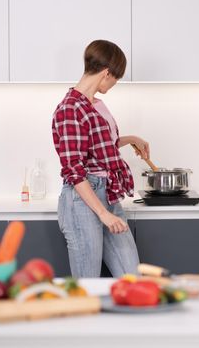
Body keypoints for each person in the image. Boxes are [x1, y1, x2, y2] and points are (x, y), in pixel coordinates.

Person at [52, 40, 149, 278]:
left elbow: (99, 147)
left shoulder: (95, 104)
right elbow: (74, 170)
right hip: (83, 201)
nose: (115, 84)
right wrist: (103, 214)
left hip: (109, 195)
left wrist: (131, 138)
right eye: (116, 79)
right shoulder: (70, 109)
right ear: (107, 73)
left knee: (132, 278)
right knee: (87, 284)